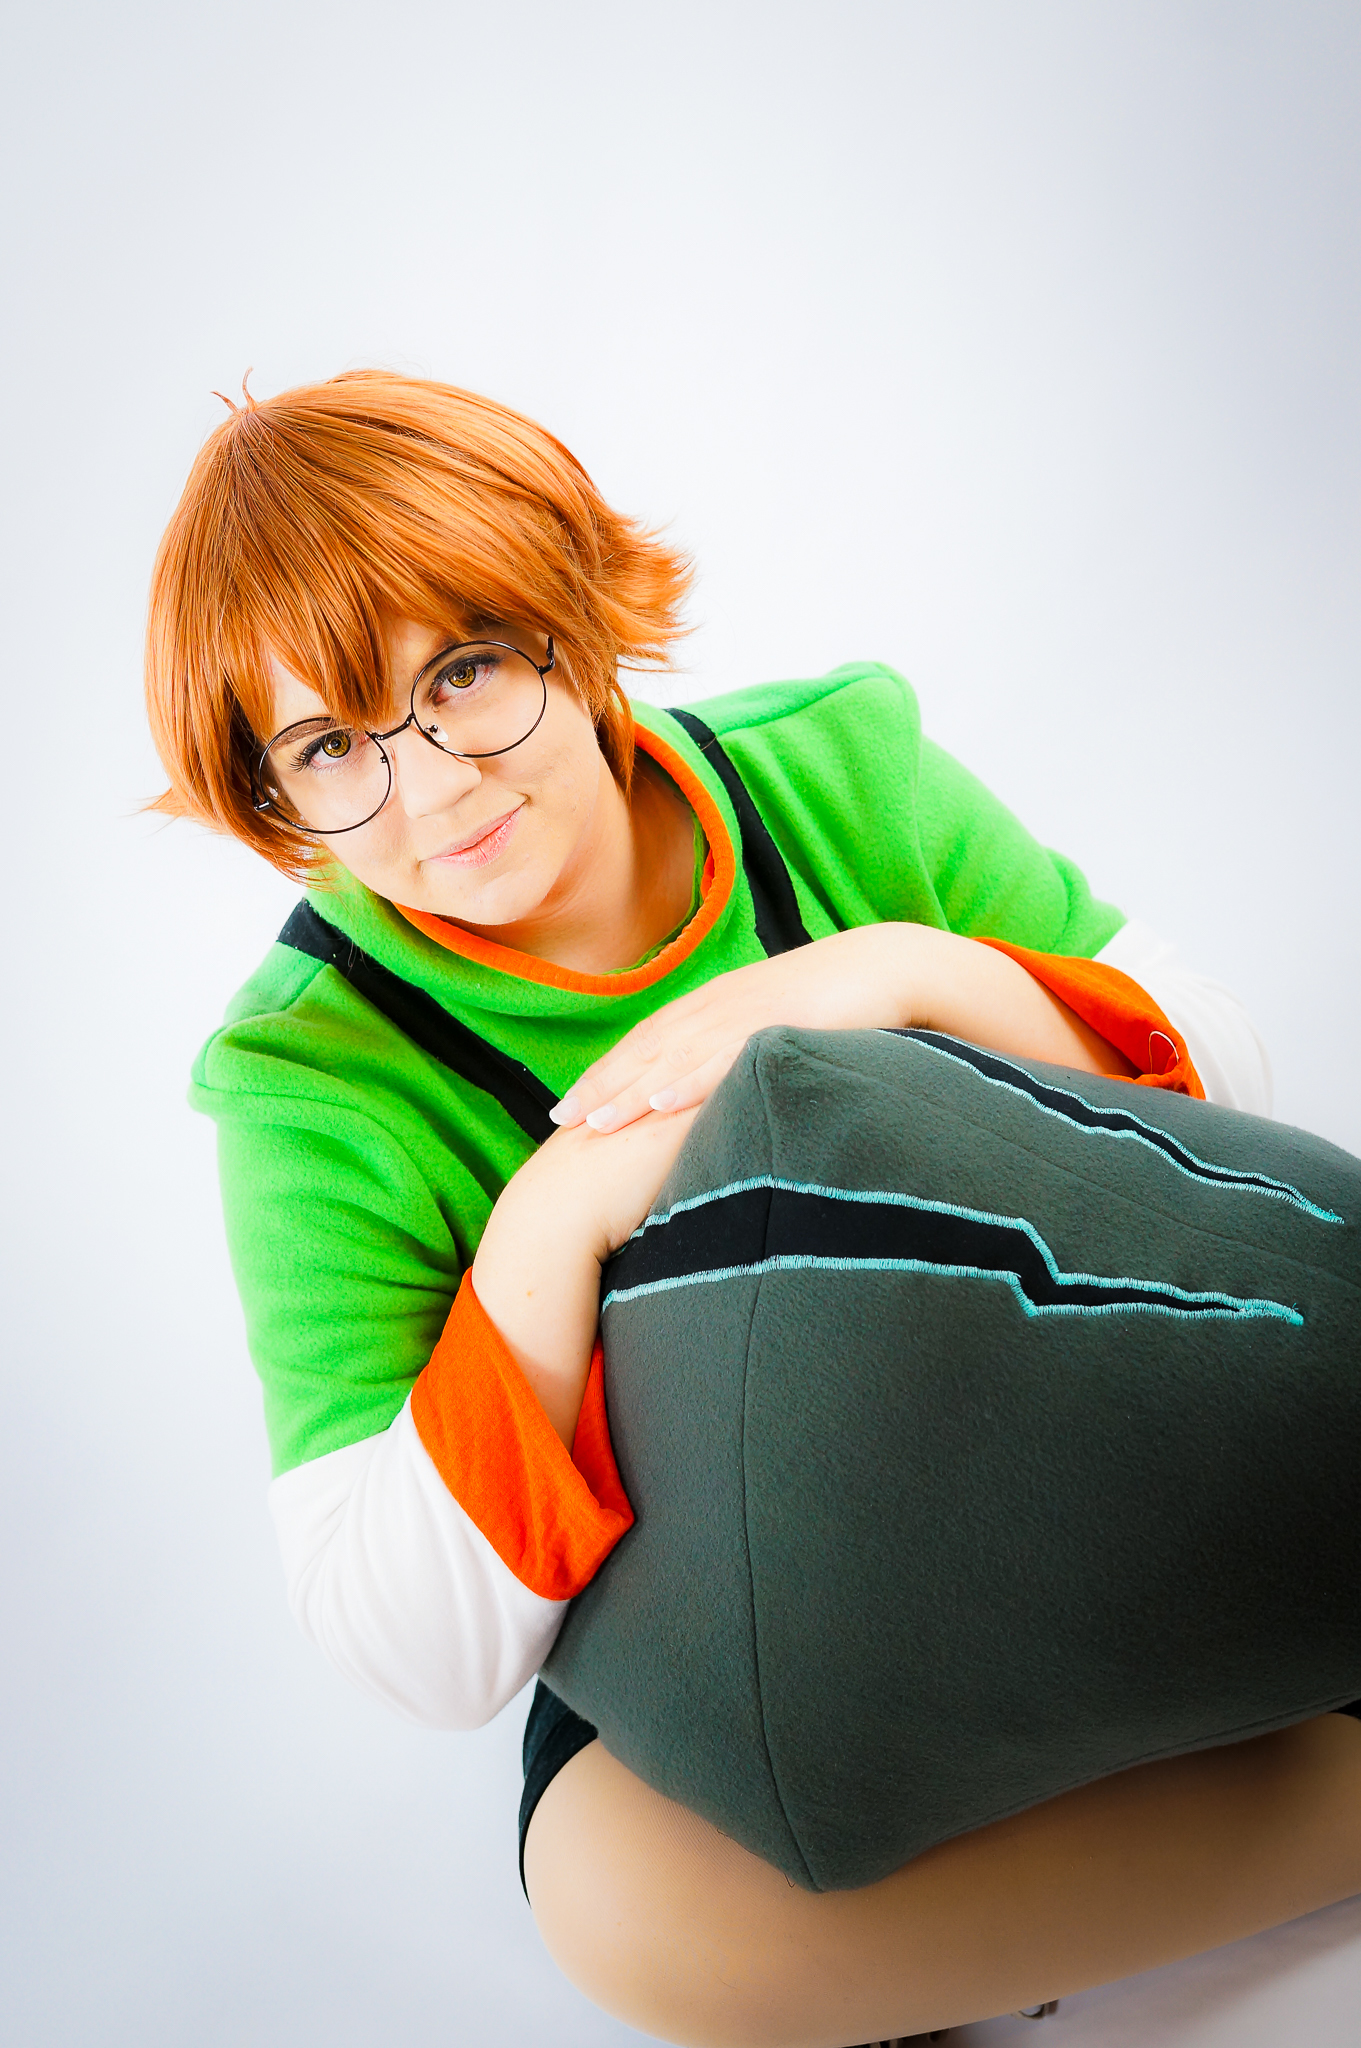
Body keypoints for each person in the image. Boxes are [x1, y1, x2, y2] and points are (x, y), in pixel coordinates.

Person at [145, 370, 1361, 2046]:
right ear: (273, 791)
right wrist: (557, 1216)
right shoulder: (311, 1079)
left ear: (571, 623)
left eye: (462, 672)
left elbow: (1222, 1101)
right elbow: (410, 1644)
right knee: (627, 1907)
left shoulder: (830, 769)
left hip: (1054, 1443)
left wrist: (896, 974)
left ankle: (1085, 1841)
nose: (429, 793)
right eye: (333, 747)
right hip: (740, 1623)